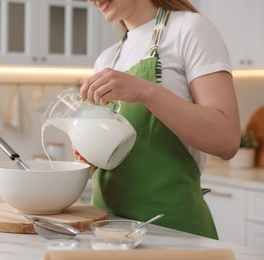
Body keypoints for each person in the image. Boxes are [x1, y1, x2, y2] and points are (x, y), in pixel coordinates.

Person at [75, 0, 241, 239]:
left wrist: (146, 91)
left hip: (174, 236)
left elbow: (226, 139)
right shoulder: (107, 60)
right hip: (108, 234)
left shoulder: (190, 29)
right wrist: (88, 153)